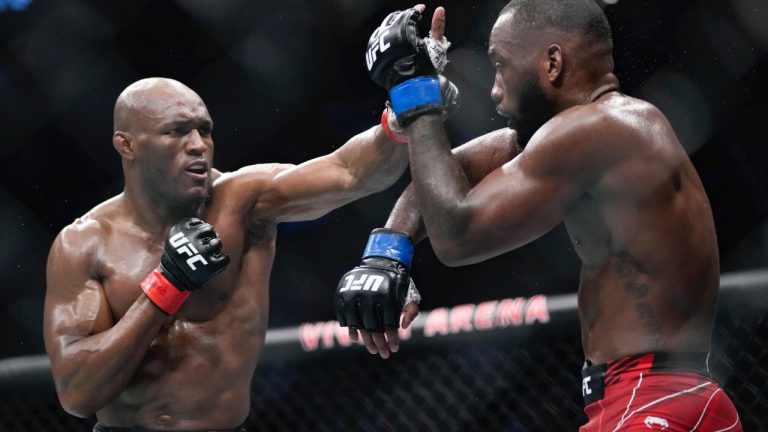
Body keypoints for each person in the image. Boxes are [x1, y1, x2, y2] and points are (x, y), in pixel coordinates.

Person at [335, 1, 743, 430]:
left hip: (649, 403)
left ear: (552, 63)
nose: (494, 90)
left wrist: (415, 94)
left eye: (501, 65)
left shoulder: (597, 130)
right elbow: (444, 178)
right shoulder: (600, 130)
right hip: (673, 394)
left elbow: (458, 235)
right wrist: (387, 252)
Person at [42, 60, 450, 430]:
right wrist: (165, 286)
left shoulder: (244, 202)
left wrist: (402, 115)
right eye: (176, 132)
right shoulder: (85, 243)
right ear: (126, 145)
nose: (198, 144)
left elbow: (348, 173)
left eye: (204, 129)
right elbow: (78, 394)